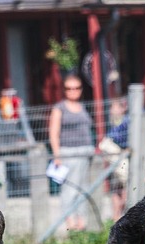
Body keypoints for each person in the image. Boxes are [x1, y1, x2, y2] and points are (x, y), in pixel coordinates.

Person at [48, 74, 95, 232]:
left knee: (83, 188)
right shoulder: (59, 108)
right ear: (64, 90)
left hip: (85, 152)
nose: (73, 91)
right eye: (69, 88)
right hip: (68, 153)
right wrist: (57, 155)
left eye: (76, 88)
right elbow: (53, 133)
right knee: (70, 189)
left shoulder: (83, 107)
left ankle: (81, 222)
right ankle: (69, 222)